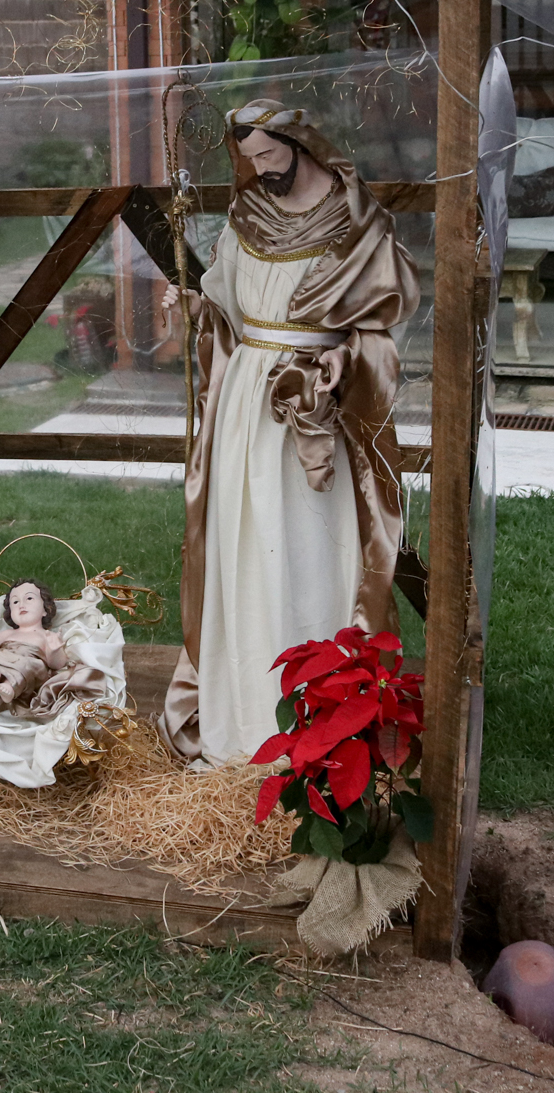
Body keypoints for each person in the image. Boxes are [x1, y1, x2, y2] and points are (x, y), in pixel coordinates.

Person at [159, 100, 421, 768]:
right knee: (246, 543)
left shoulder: (356, 222)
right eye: (251, 161)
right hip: (248, 402)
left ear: (299, 143)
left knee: (308, 547)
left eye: (271, 158)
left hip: (316, 409)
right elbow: (227, 306)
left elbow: (383, 324)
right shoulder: (247, 216)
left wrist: (341, 357)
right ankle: (246, 710)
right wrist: (191, 304)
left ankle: (325, 713)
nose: (262, 172)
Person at [0, 579, 73, 715]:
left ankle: (10, 686)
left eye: (29, 598)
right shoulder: (7, 634)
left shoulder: (46, 636)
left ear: (45, 609)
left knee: (27, 664)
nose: (21, 605)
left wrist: (54, 650)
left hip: (29, 671)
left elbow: (57, 664)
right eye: (15, 602)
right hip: (0, 665)